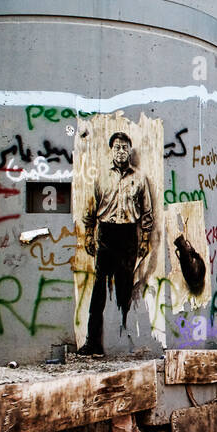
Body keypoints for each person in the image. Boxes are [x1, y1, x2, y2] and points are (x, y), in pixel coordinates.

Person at [77, 131, 156, 356]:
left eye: (124, 147)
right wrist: (89, 236)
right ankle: (93, 342)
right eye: (117, 147)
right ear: (111, 150)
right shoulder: (101, 177)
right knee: (99, 290)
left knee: (124, 288)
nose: (121, 151)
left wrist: (144, 239)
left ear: (130, 150)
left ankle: (123, 341)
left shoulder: (139, 178)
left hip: (129, 235)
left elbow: (147, 213)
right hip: (106, 234)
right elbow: (90, 210)